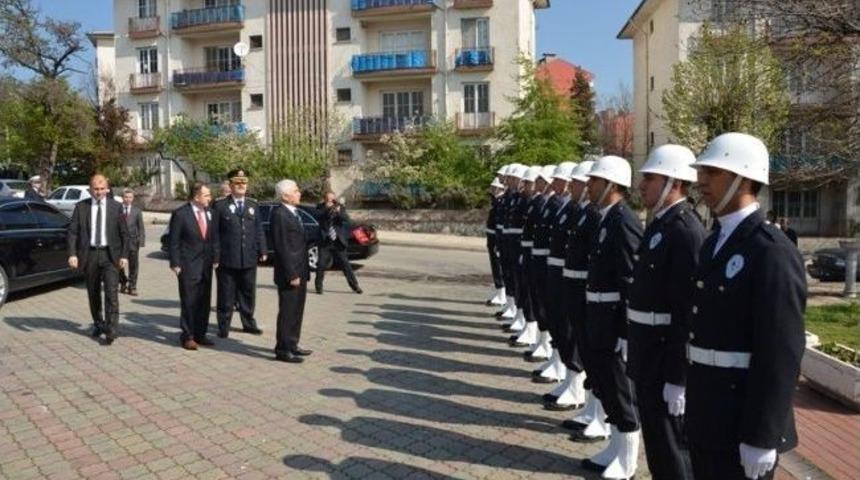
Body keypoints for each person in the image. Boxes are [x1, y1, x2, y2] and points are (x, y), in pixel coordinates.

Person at [687, 132, 806, 480]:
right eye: (701, 171)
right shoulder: (715, 242)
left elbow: (781, 351)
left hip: (741, 418)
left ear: (743, 178)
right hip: (707, 411)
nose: (701, 180)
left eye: (712, 172)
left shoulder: (771, 250)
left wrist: (763, 434)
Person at [627, 145, 705, 480]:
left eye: (650, 178)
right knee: (658, 446)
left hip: (664, 359)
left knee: (673, 451)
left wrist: (678, 377)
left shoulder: (685, 230)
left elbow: (687, 313)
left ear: (674, 183)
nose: (642, 185)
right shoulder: (660, 225)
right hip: (648, 354)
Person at [579, 156, 643, 480]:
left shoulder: (623, 221)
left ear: (611, 184)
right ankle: (615, 447)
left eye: (595, 180)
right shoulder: (606, 218)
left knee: (620, 389)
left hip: (613, 318)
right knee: (605, 384)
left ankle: (628, 460)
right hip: (599, 314)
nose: (589, 186)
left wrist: (626, 330)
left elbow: (631, 280)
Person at [67, 174, 129, 345]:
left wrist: (124, 256)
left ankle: (111, 328)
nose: (99, 192)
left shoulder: (116, 207)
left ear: (107, 189)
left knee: (111, 293)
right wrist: (72, 254)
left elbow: (125, 234)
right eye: (96, 189)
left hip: (110, 255)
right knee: (93, 293)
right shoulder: (81, 207)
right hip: (90, 255)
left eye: (102, 189)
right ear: (90, 189)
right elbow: (73, 232)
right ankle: (98, 323)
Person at [211, 168, 267, 338]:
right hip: (227, 258)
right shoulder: (220, 205)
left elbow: (258, 229)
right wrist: (215, 256)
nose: (241, 185)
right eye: (237, 183)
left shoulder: (252, 205)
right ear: (230, 185)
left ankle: (248, 323)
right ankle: (223, 326)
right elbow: (214, 233)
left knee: (248, 293)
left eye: (244, 183)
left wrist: (263, 249)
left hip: (248, 257)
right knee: (226, 294)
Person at [168, 182, 217, 351]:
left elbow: (214, 238)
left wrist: (216, 257)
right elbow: (173, 241)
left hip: (206, 264)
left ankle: (200, 334)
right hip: (188, 265)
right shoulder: (181, 214)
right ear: (196, 197)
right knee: (189, 301)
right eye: (206, 195)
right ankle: (188, 336)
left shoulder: (210, 213)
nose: (210, 198)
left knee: (204, 301)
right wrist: (175, 262)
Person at [271, 179, 312, 364]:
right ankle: (283, 349)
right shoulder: (280, 214)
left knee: (297, 310)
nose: (299, 193)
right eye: (295, 191)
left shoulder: (293, 212)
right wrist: (291, 274)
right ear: (285, 195)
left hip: (300, 270)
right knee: (288, 312)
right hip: (290, 273)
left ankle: (293, 343)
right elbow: (282, 248)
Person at [314, 191, 362, 295]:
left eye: (332, 199)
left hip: (337, 240)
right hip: (325, 241)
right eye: (328, 199)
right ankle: (318, 287)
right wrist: (327, 209)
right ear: (325, 198)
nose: (330, 201)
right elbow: (317, 216)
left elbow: (346, 219)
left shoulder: (339, 207)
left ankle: (355, 286)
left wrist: (338, 212)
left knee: (345, 264)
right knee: (321, 264)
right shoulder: (320, 207)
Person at [484, 175, 507, 307]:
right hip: (492, 236)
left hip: (496, 237)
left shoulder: (501, 202)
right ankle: (499, 292)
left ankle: (502, 293)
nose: (492, 190)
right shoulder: (497, 202)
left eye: (494, 188)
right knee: (495, 265)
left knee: (498, 266)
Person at [118, 189, 145, 296]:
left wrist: (141, 241)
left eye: (130, 197)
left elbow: (141, 227)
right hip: (120, 243)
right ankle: (123, 282)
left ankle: (132, 286)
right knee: (119, 265)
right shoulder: (117, 209)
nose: (128, 199)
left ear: (133, 198)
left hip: (133, 242)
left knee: (133, 265)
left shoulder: (137, 211)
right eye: (126, 197)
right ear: (122, 198)